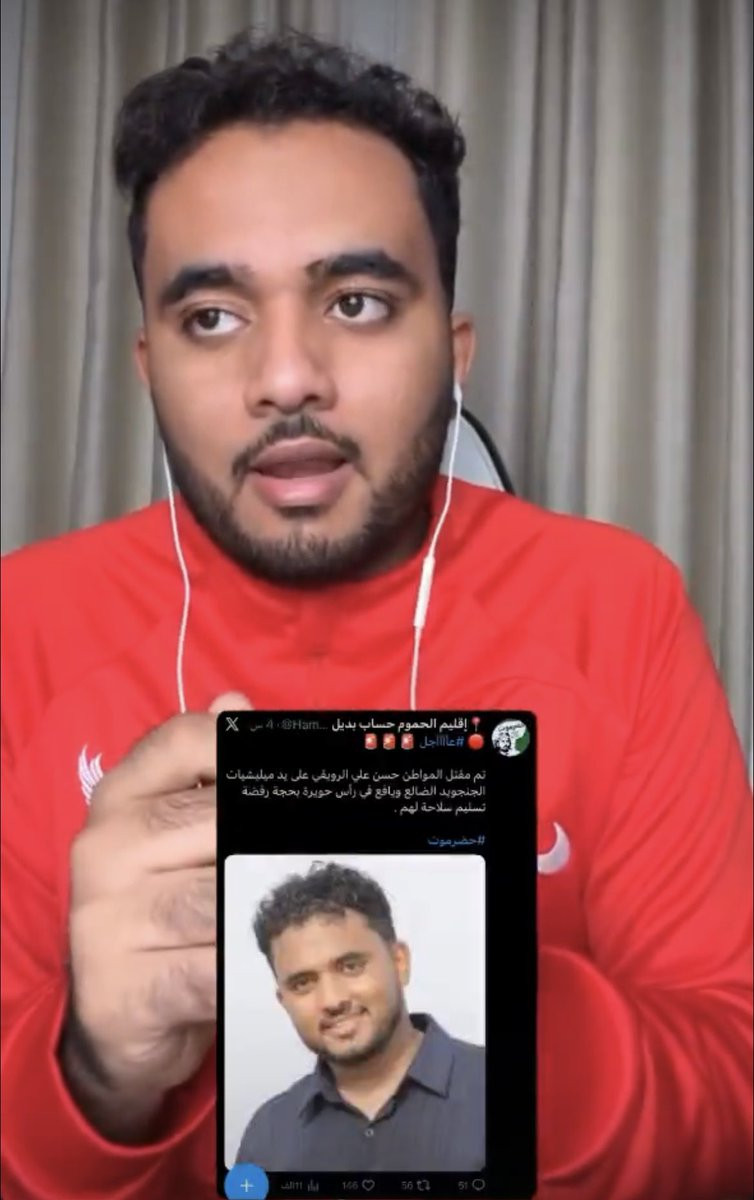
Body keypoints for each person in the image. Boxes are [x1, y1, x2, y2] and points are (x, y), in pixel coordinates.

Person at [0, 26, 751, 1200]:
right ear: (147, 366)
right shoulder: (25, 623)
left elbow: (733, 1105)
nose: (286, 378)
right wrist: (93, 1071)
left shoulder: (617, 605)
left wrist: (494, 986)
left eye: (354, 302)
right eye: (212, 318)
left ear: (453, 352)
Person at [234, 861, 485, 1171]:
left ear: (399, 962)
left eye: (350, 966)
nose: (332, 1000)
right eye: (303, 983)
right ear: (283, 1001)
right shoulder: (267, 1135)